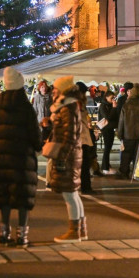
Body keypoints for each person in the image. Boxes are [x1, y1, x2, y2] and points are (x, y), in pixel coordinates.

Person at [0, 67, 42, 247]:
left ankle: (4, 232)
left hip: (2, 159)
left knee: (4, 196)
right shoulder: (26, 108)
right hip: (22, 160)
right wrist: (38, 146)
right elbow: (35, 136)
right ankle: (22, 235)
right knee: (22, 198)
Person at [48, 76, 86, 243]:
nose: (53, 92)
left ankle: (74, 232)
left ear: (62, 90)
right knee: (73, 193)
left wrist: (62, 158)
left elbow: (69, 136)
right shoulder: (70, 105)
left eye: (55, 89)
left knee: (69, 194)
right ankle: (81, 230)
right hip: (72, 154)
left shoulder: (67, 107)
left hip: (68, 156)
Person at [116, 85, 139, 179]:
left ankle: (124, 173)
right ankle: (137, 174)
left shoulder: (126, 106)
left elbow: (121, 122)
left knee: (126, 155)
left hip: (128, 135)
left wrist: (120, 134)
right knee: (137, 155)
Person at [76, 82, 97, 194]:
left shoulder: (79, 104)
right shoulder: (77, 104)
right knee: (84, 164)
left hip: (82, 138)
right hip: (80, 138)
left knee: (83, 164)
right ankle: (85, 187)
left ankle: (84, 186)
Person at [97, 91, 118, 175]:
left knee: (108, 148)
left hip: (111, 128)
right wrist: (113, 108)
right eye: (111, 98)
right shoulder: (103, 106)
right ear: (106, 97)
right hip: (106, 129)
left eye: (113, 98)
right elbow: (108, 117)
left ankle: (107, 166)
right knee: (107, 148)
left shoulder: (108, 105)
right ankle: (105, 168)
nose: (113, 99)